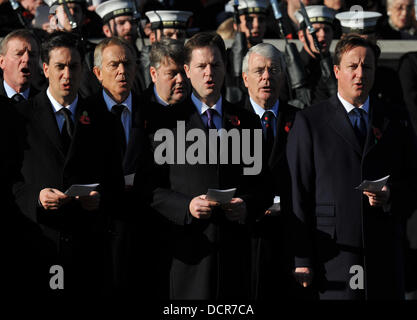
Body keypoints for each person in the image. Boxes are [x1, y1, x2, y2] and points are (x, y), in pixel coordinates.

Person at [287, 34, 417, 299]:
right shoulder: (310, 121)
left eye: (367, 67)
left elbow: (413, 181)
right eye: (352, 67)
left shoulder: (394, 119)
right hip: (334, 254)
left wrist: (391, 194)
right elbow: (298, 193)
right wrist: (302, 257)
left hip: (384, 251)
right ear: (336, 71)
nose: (360, 74)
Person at [143, 31, 270, 299]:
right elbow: (149, 187)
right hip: (187, 255)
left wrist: (246, 204)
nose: (209, 73)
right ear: (187, 71)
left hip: (235, 259)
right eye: (201, 66)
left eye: (216, 65)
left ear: (226, 67)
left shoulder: (246, 122)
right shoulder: (164, 123)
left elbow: (264, 185)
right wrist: (186, 206)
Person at [13, 31, 125, 294]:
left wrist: (100, 199)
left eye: (73, 67)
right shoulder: (19, 118)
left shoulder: (104, 121)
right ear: (45, 69)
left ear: (83, 69)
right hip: (38, 248)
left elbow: (115, 186)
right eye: (60, 67)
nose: (67, 74)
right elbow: (9, 182)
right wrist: (37, 198)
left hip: (87, 251)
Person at [241, 43, 299, 300]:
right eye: (259, 71)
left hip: (290, 236)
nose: (267, 77)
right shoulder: (231, 121)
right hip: (245, 237)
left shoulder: (302, 121)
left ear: (284, 77)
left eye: (274, 70)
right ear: (245, 78)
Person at [80, 0, 147, 98]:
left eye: (132, 22)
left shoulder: (145, 59)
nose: (128, 27)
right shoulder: (90, 60)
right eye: (121, 23)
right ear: (106, 30)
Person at [281, 5, 337, 108]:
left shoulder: (338, 67)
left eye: (327, 30)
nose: (322, 34)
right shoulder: (289, 68)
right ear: (302, 36)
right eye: (315, 30)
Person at [224, 0, 269, 103]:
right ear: (236, 25)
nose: (256, 25)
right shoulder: (225, 58)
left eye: (261, 20)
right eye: (249, 20)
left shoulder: (272, 57)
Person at [140, 10, 192, 88]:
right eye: (169, 35)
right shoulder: (139, 72)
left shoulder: (192, 64)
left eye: (180, 35)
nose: (175, 39)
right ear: (153, 37)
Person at [0, 29, 40, 102]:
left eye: (32, 54)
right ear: (2, 62)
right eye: (19, 54)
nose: (27, 59)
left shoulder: (45, 103)